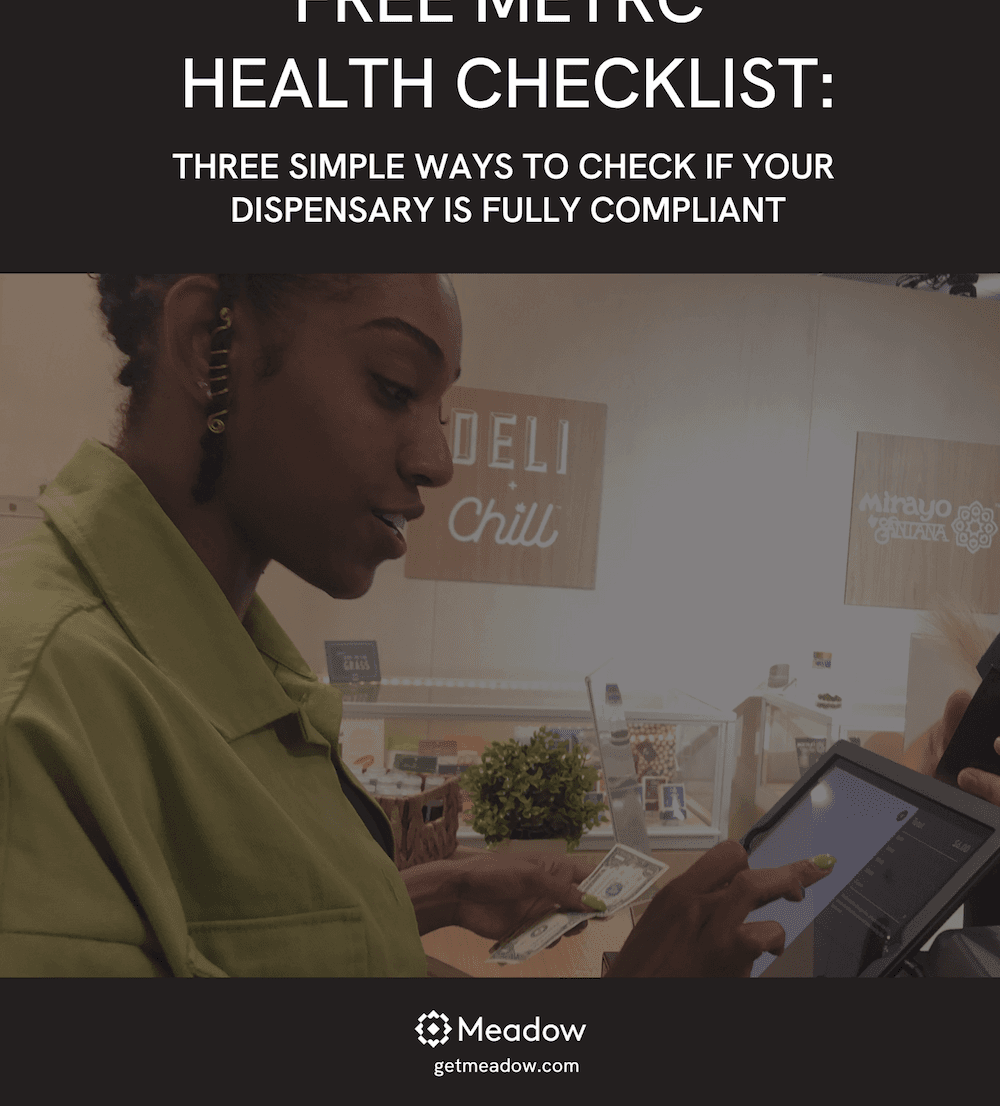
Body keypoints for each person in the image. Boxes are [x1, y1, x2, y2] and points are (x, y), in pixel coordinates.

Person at [0, 274, 991, 977]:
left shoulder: (234, 664)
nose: (436, 458)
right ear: (204, 347)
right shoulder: (43, 708)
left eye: (442, 403)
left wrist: (423, 896)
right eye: (393, 387)